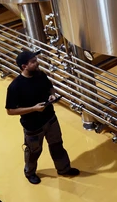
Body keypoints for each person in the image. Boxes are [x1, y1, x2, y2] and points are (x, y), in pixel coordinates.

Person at [5, 50, 79, 184]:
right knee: (34, 151)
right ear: (24, 66)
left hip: (50, 119)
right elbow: (10, 111)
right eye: (33, 62)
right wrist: (33, 109)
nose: (37, 63)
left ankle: (64, 168)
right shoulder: (15, 87)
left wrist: (52, 95)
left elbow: (50, 88)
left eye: (36, 60)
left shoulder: (40, 75)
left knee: (57, 146)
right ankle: (30, 172)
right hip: (33, 126)